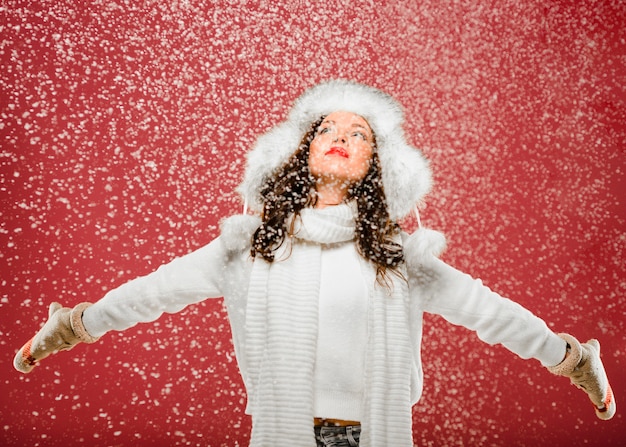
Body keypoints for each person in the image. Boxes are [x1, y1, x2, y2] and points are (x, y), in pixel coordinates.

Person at [13, 80, 615, 447]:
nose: (340, 136)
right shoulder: (248, 248)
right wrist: (72, 327)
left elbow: (493, 313)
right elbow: (152, 293)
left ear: (375, 168)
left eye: (360, 134)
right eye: (326, 127)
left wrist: (573, 361)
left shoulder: (399, 259)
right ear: (300, 154)